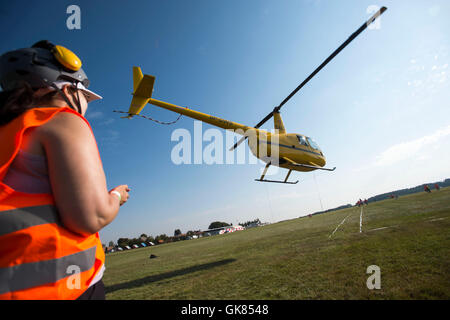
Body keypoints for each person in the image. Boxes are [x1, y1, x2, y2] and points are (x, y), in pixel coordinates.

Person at [0, 40, 130, 300]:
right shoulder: (62, 119)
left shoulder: (8, 132)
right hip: (63, 290)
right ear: (69, 89)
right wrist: (116, 196)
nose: (86, 104)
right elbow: (90, 217)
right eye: (85, 96)